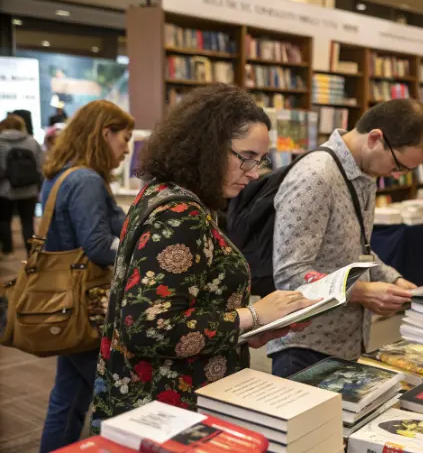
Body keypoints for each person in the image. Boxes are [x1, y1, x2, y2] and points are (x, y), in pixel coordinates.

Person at [91, 84, 316, 427]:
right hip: (171, 409)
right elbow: (151, 327)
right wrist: (252, 315)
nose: (254, 173)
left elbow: (190, 306)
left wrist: (250, 328)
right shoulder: (180, 213)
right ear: (207, 148)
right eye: (246, 157)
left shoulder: (169, 194)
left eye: (261, 160)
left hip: (172, 399)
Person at [267, 98, 423, 377]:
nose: (396, 176)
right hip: (305, 345)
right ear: (374, 138)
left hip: (346, 341)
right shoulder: (316, 177)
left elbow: (359, 250)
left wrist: (391, 279)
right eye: (398, 166)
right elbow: (289, 274)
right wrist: (362, 292)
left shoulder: (364, 173)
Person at [38, 100, 134, 453]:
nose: (126, 147)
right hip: (87, 302)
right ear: (104, 133)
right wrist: (141, 253)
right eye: (123, 138)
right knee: (115, 397)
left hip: (65, 300)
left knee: (68, 395)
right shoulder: (86, 179)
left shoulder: (62, 173)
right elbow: (95, 245)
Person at [0, 114, 43, 256]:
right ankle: (30, 252)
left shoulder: (0, 142)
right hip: (29, 189)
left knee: (4, 220)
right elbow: (40, 166)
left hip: (5, 190)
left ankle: (7, 249)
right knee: (28, 222)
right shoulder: (32, 141)